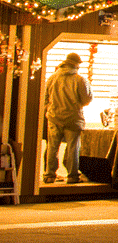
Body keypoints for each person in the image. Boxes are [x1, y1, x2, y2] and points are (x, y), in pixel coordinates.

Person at [42, 52, 93, 184]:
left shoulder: (52, 78)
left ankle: (49, 175)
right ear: (76, 65)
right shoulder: (79, 80)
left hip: (54, 117)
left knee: (52, 147)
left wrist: (50, 109)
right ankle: (72, 176)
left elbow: (45, 98)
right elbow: (86, 100)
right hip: (73, 118)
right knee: (73, 148)